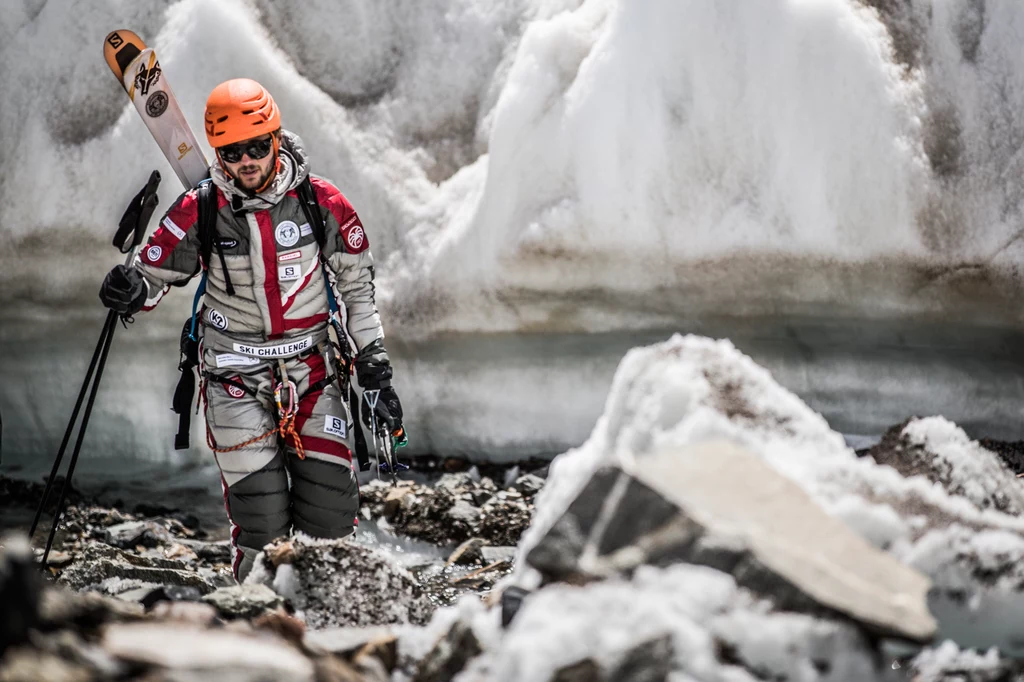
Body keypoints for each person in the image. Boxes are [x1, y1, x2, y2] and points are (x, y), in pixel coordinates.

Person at [98, 78, 405, 582]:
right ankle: (261, 622)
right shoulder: (200, 208)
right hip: (233, 374)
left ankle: (329, 619)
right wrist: (131, 287)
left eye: (257, 147)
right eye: (231, 151)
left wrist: (373, 359)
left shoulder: (322, 202)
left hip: (313, 371)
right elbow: (153, 275)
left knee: (329, 513)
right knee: (261, 518)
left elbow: (357, 285)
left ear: (277, 140)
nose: (245, 161)